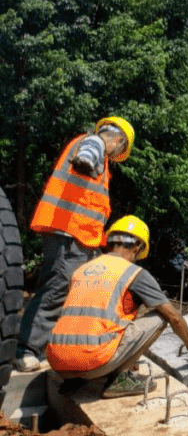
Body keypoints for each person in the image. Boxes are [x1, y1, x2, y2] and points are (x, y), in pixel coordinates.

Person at [45, 215, 188, 398]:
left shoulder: (81, 271)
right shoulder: (134, 273)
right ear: (138, 247)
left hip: (58, 363)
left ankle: (75, 380)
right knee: (161, 317)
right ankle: (119, 380)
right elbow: (174, 317)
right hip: (93, 362)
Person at [16, 116, 135, 372]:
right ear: (116, 139)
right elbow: (89, 152)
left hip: (78, 239)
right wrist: (88, 158)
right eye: (120, 150)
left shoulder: (100, 157)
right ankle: (26, 350)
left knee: (70, 292)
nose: (115, 155)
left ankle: (47, 345)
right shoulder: (94, 142)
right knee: (55, 289)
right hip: (67, 235)